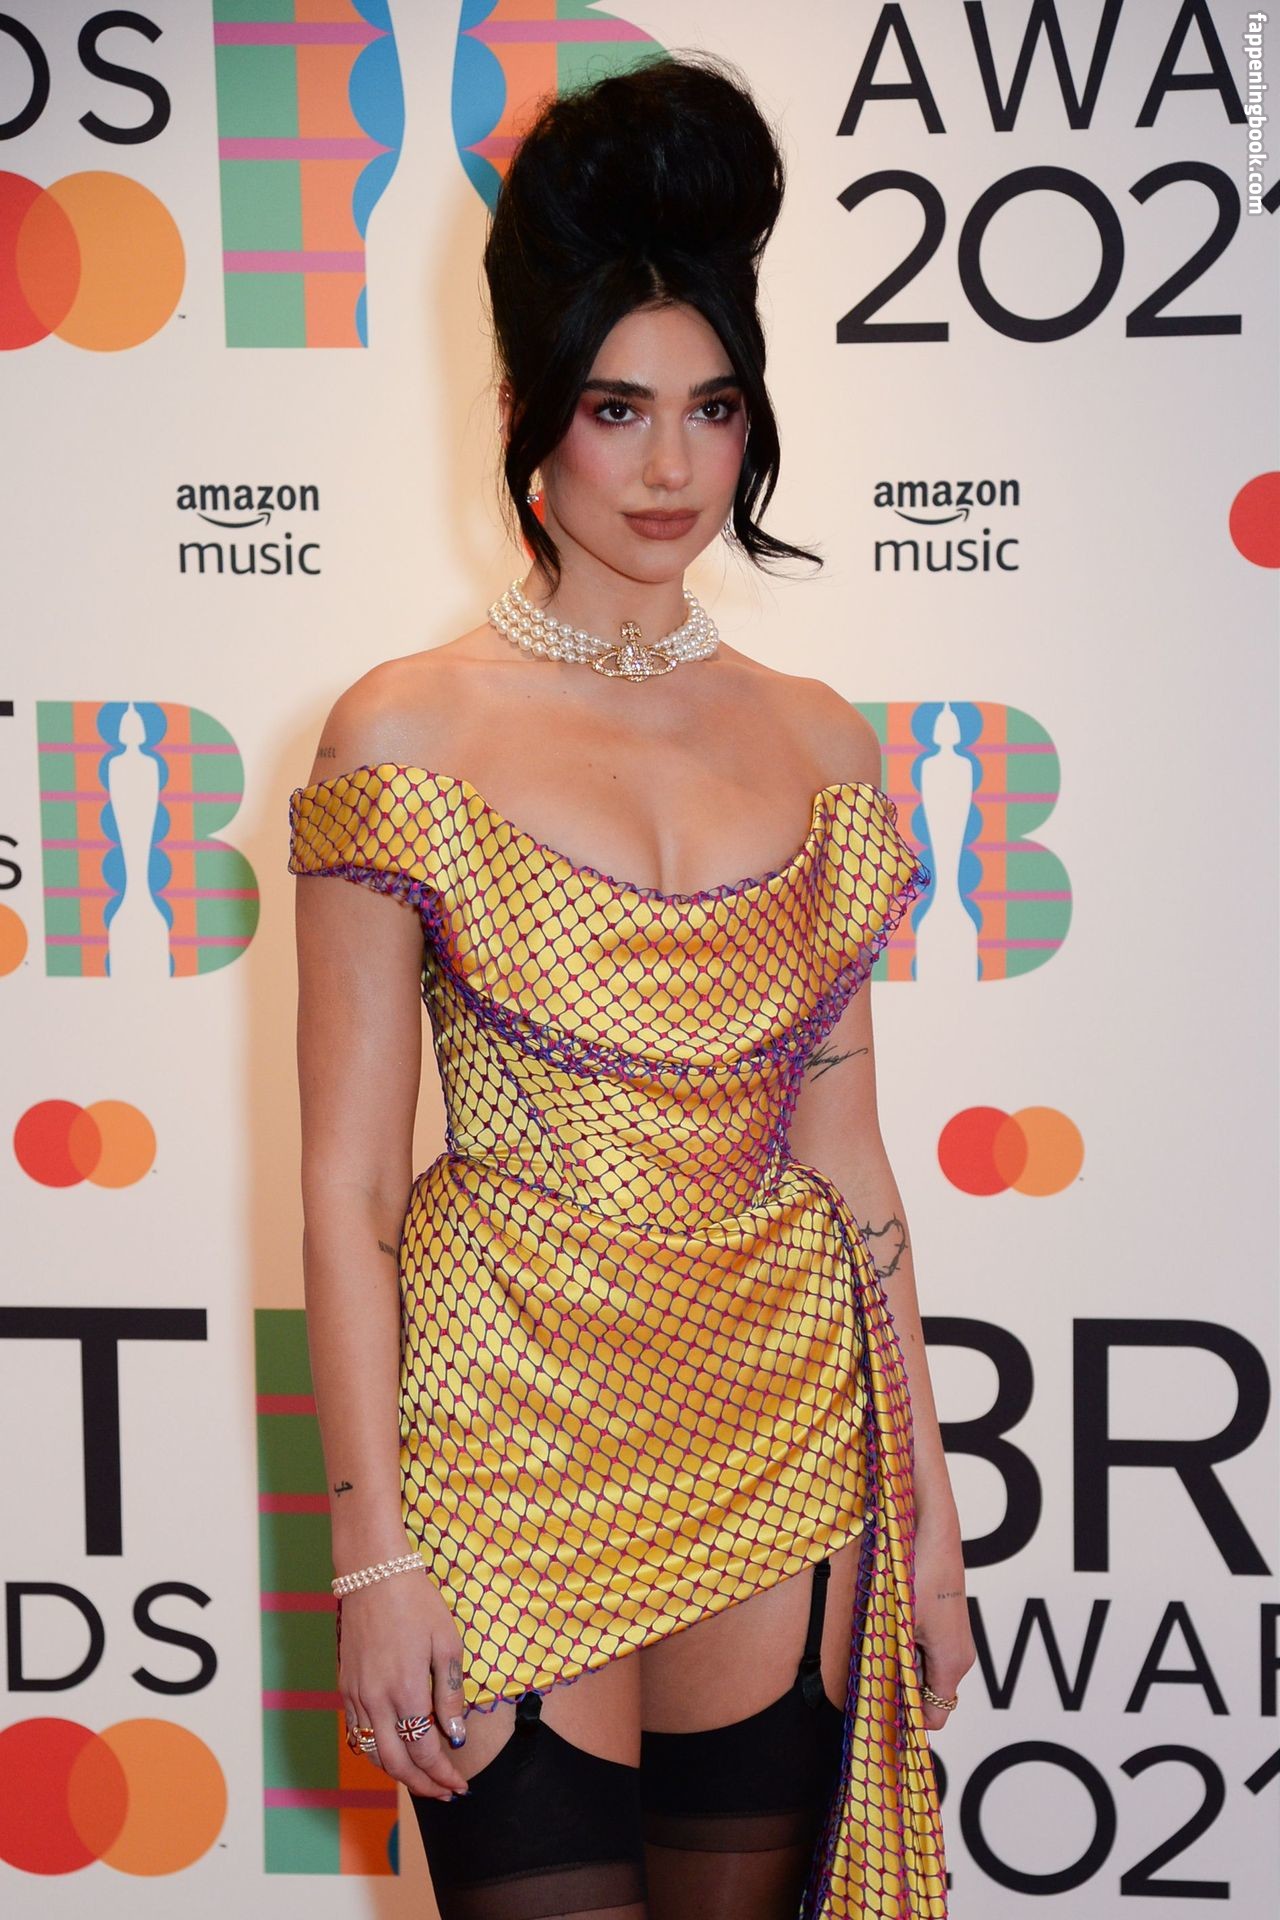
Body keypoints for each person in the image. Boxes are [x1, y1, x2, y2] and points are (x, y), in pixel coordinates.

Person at [289, 49, 973, 1920]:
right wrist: (374, 1562)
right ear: (531, 412)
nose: (672, 469)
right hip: (501, 1420)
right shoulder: (404, 731)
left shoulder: (821, 743)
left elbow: (854, 1165)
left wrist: (928, 1516)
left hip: (781, 1412)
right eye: (618, 409)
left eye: (713, 409)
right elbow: (346, 1196)